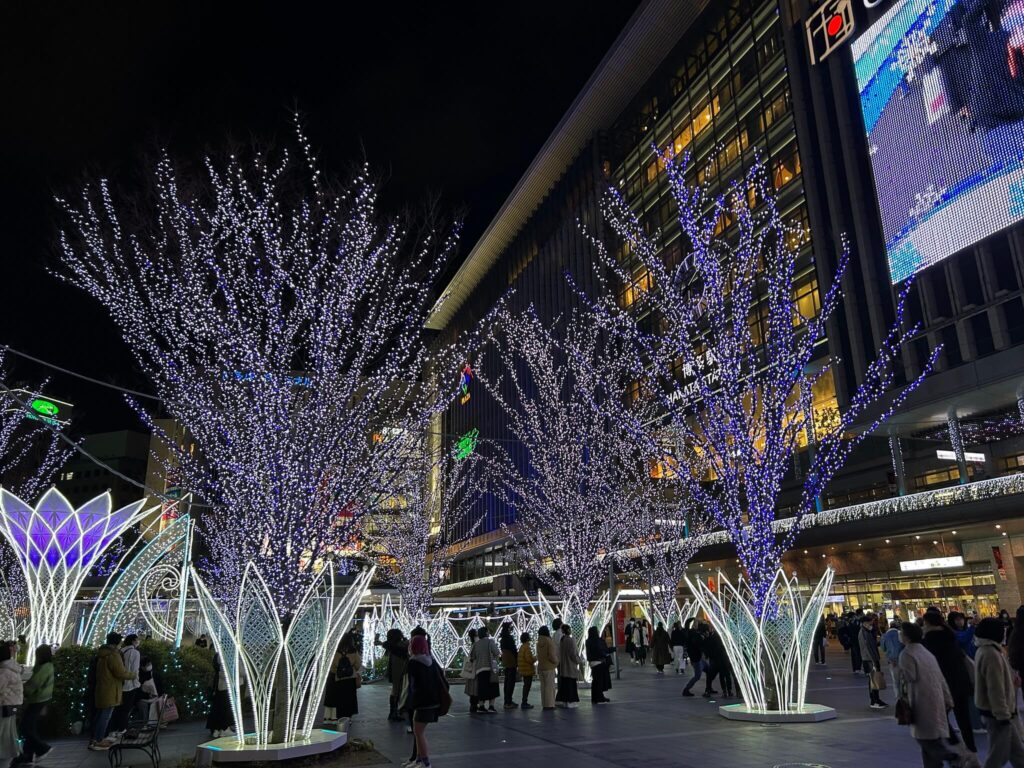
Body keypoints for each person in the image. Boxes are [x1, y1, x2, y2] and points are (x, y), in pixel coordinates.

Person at [897, 621, 958, 768]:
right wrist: (948, 698)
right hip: (936, 698)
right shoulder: (926, 652)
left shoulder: (906, 654)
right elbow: (940, 677)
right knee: (930, 741)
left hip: (920, 701)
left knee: (925, 740)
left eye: (901, 632)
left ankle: (948, 755)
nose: (899, 634)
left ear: (907, 637)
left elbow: (909, 677)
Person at [922, 611, 977, 755]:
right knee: (963, 716)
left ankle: (955, 744)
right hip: (960, 680)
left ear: (928, 623)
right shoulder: (949, 634)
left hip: (944, 683)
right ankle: (971, 748)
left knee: (940, 714)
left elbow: (930, 664)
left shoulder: (930, 639)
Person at [975, 617, 1024, 768]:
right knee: (998, 754)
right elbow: (995, 688)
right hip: (997, 714)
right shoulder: (991, 654)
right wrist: (1003, 715)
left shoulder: (989, 650)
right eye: (1001, 630)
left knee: (1016, 752)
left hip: (999, 712)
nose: (1004, 633)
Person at [404, 635, 447, 768]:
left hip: (421, 702)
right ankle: (419, 760)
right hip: (433, 701)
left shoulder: (413, 662)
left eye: (411, 644)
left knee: (419, 732)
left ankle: (426, 763)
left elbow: (411, 685)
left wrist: (407, 702)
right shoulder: (431, 661)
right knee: (419, 732)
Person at [90, 632, 136, 751]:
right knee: (105, 716)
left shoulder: (102, 654)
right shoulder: (113, 655)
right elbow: (120, 672)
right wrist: (133, 675)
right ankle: (99, 740)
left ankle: (95, 739)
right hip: (111, 689)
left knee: (100, 714)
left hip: (102, 688)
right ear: (117, 642)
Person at [12, 644, 51, 765]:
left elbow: (35, 683)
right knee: (30, 727)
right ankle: (28, 756)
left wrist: (22, 690)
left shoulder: (44, 667)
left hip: (38, 700)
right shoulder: (46, 666)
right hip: (39, 700)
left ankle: (42, 748)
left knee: (25, 727)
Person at [109, 634, 141, 736]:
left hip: (118, 684)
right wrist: (137, 683)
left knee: (117, 708)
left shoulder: (120, 651)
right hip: (129, 684)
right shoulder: (135, 653)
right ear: (133, 641)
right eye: (137, 639)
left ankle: (115, 729)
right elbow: (135, 670)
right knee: (126, 709)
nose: (138, 641)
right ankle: (123, 729)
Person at [0, 643, 24, 767]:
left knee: (4, 737)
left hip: (4, 708)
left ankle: (5, 760)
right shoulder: (12, 668)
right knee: (8, 735)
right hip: (10, 707)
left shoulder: (4, 671)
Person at [378, 629, 409, 722]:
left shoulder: (392, 646)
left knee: (395, 691)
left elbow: (388, 645)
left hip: (395, 672)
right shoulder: (401, 645)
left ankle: (394, 712)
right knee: (398, 692)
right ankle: (396, 712)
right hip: (401, 672)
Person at [859, 614, 887, 709]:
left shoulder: (867, 632)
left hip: (871, 658)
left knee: (874, 680)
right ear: (865, 623)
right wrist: (874, 661)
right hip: (869, 659)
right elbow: (867, 648)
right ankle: (874, 701)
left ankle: (876, 699)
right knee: (873, 680)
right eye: (870, 622)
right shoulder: (864, 633)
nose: (871, 624)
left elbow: (871, 645)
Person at [470, 626, 499, 713]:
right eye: (488, 631)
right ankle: (491, 706)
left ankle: (481, 706)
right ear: (486, 633)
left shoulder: (476, 644)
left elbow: (472, 656)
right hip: (490, 668)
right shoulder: (490, 642)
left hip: (479, 669)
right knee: (492, 687)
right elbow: (497, 652)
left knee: (482, 688)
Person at [207, 652, 233, 738]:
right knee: (225, 707)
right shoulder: (224, 654)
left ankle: (217, 729)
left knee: (218, 707)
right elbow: (223, 672)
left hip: (219, 685)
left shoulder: (217, 655)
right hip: (224, 685)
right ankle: (224, 728)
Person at [555, 624, 581, 708]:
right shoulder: (571, 640)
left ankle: (565, 701)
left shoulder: (562, 640)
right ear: (568, 630)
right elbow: (573, 654)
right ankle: (571, 701)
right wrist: (578, 661)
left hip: (564, 666)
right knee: (571, 684)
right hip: (570, 665)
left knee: (566, 684)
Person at [585, 626, 611, 704]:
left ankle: (595, 698)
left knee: (595, 681)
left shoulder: (588, 641)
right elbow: (600, 651)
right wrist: (605, 654)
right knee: (599, 681)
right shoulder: (596, 641)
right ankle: (599, 698)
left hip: (592, 663)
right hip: (598, 662)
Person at [536, 626, 558, 711]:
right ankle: (550, 705)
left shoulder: (538, 642)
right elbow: (552, 655)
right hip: (549, 666)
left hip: (541, 666)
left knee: (543, 686)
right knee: (550, 686)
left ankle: (545, 704)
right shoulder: (549, 641)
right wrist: (556, 661)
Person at [681, 621, 706, 697]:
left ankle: (709, 688)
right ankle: (686, 689)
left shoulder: (691, 633)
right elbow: (697, 644)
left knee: (709, 670)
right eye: (697, 624)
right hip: (696, 658)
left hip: (697, 658)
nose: (698, 625)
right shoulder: (693, 634)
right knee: (697, 676)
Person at [499, 622, 518, 710]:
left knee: (507, 681)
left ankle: (507, 700)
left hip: (506, 661)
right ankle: (508, 701)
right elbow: (513, 649)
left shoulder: (502, 639)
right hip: (511, 661)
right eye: (510, 627)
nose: (512, 628)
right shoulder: (509, 638)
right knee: (511, 681)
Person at [882, 619, 905, 693]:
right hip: (902, 658)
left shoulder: (885, 635)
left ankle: (898, 696)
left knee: (895, 680)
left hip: (891, 660)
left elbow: (883, 648)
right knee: (904, 678)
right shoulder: (900, 634)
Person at [517, 632, 536, 710]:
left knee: (526, 685)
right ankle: (524, 702)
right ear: (527, 638)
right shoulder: (527, 647)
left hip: (523, 669)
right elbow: (529, 659)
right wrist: (535, 658)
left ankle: (524, 702)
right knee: (527, 686)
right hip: (527, 669)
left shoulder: (522, 647)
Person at [462, 628, 479, 713]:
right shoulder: (477, 643)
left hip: (472, 669)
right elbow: (473, 656)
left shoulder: (473, 643)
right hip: (475, 669)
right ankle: (474, 705)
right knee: (475, 688)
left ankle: (473, 704)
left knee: (472, 688)